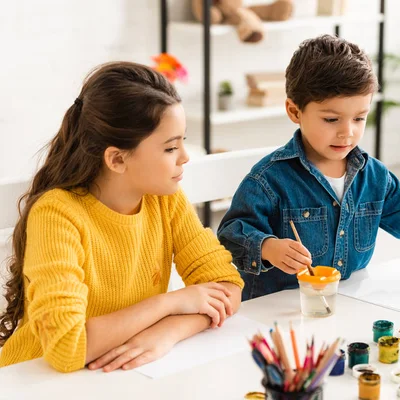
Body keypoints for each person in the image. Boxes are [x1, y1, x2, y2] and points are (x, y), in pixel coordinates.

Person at [217, 35, 400, 301]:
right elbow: (230, 234)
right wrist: (267, 246)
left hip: (346, 302)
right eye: (331, 119)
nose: (347, 132)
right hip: (276, 310)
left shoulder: (373, 177)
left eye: (359, 118)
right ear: (294, 111)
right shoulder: (268, 180)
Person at [0, 62, 244, 372]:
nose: (185, 157)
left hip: (114, 375)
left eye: (182, 142)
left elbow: (227, 287)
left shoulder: (165, 200)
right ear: (117, 159)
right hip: (33, 381)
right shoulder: (57, 215)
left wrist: (166, 333)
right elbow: (66, 347)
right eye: (170, 148)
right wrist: (169, 303)